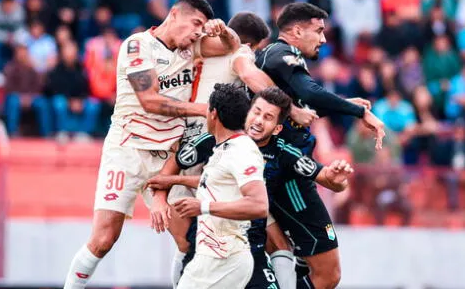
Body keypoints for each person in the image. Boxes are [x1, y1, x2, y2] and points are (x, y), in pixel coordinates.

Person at [63, 0, 238, 289]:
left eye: (201, 27)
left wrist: (223, 29)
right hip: (127, 149)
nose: (197, 31)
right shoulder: (137, 46)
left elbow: (231, 48)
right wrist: (203, 110)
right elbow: (150, 100)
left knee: (190, 240)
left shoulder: (191, 46)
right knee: (104, 238)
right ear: (173, 14)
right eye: (195, 23)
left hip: (167, 156)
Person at [152, 12, 317, 289]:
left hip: (188, 139)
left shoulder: (198, 47)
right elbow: (251, 76)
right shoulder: (241, 54)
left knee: (186, 243)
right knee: (275, 240)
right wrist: (293, 110)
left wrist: (167, 186)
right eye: (259, 47)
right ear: (251, 44)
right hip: (214, 140)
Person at [148, 87, 355, 289]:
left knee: (283, 247)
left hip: (247, 247)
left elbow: (326, 178)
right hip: (216, 245)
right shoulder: (218, 138)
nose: (258, 120)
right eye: (256, 112)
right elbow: (192, 170)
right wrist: (164, 192)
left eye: (267, 117)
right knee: (189, 249)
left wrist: (336, 178)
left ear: (277, 128)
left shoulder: (281, 152)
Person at [254, 2, 384, 286]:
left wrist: (345, 105)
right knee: (327, 274)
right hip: (289, 177)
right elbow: (309, 93)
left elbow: (303, 106)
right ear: (297, 30)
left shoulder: (277, 61)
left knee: (289, 261)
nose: (324, 39)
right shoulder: (282, 54)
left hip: (283, 168)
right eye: (319, 31)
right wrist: (359, 112)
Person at [169, 84, 269, 289]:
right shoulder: (225, 148)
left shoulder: (241, 151)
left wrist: (203, 207)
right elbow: (222, 187)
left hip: (223, 258)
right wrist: (173, 180)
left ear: (213, 114)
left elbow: (259, 205)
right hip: (216, 256)